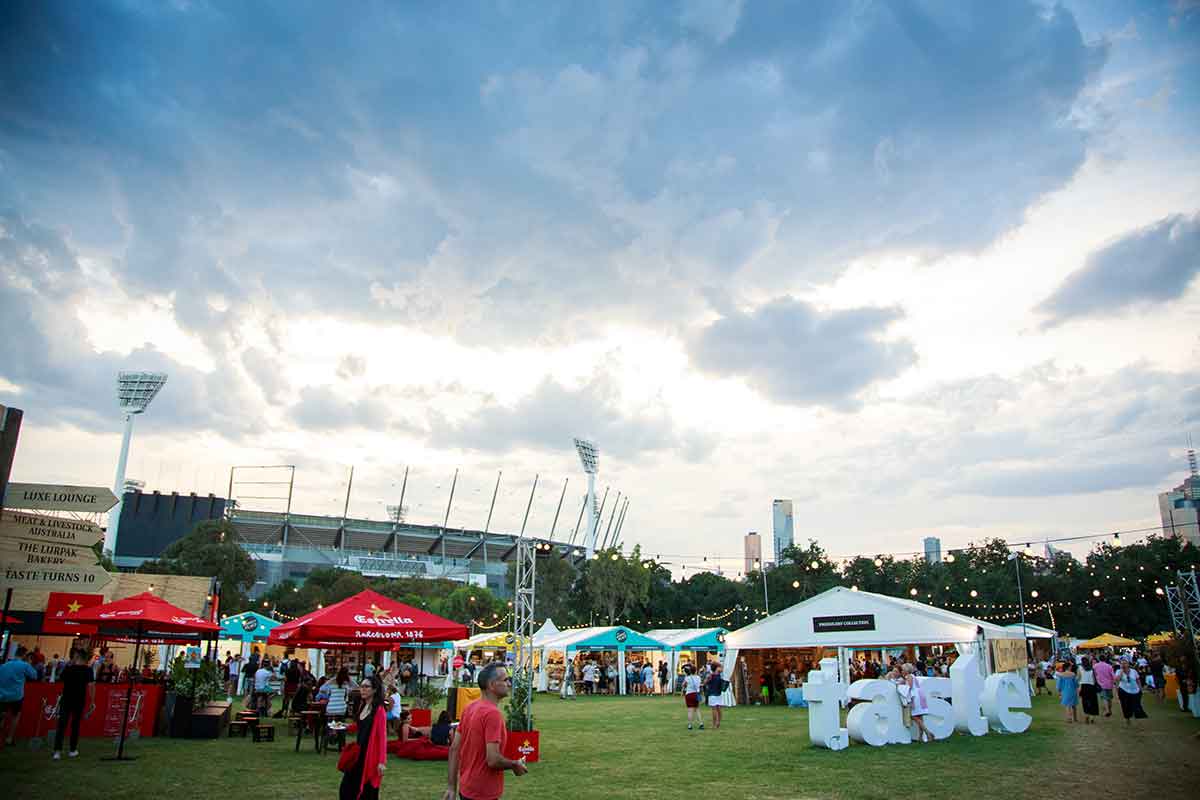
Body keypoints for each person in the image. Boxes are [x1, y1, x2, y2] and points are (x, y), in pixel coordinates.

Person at [445, 663, 528, 800]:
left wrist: (451, 787)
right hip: (483, 792)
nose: (509, 683)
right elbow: (493, 760)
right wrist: (515, 764)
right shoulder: (492, 714)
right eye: (505, 679)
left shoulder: (469, 708)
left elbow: (454, 748)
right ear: (491, 685)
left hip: (466, 788)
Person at [340, 674, 388, 800]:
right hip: (358, 755)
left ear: (374, 690)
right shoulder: (362, 705)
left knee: (366, 792)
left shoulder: (379, 710)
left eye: (366, 687)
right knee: (346, 789)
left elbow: (382, 737)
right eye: (361, 686)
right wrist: (344, 726)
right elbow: (360, 725)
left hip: (370, 757)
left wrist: (382, 762)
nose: (363, 689)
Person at [52, 648, 95, 759]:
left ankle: (57, 751)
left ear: (77, 657)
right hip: (79, 700)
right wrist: (92, 700)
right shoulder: (88, 670)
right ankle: (72, 749)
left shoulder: (69, 669)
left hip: (66, 699)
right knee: (75, 725)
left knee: (62, 725)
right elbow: (91, 686)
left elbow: (59, 678)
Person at [0, 645, 39, 748]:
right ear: (24, 655)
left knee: (2, 717)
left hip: (3, 695)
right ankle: (9, 738)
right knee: (15, 717)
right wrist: (30, 664)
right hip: (17, 696)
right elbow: (34, 675)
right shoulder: (24, 665)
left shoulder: (4, 665)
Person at [1115, 658, 1146, 725]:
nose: (1123, 665)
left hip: (1134, 691)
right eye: (1122, 664)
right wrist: (1121, 672)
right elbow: (1117, 680)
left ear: (1128, 664)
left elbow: (1138, 680)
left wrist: (1140, 689)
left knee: (1135, 705)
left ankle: (1136, 717)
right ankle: (1127, 718)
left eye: (1125, 663)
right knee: (1125, 705)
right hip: (1124, 690)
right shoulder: (1118, 671)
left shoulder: (1133, 671)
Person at [704, 663, 727, 729]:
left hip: (717, 694)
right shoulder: (712, 675)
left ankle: (717, 723)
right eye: (720, 667)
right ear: (716, 668)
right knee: (716, 709)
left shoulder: (720, 675)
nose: (721, 668)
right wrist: (707, 679)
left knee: (718, 709)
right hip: (713, 694)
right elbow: (705, 683)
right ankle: (715, 724)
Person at [1056, 659, 1079, 723]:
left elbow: (1059, 685)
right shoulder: (1073, 674)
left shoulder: (1061, 675)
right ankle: (1075, 718)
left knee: (1067, 706)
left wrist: (1059, 693)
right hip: (1073, 691)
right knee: (1074, 705)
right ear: (1068, 667)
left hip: (1065, 691)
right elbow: (1076, 684)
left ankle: (1069, 718)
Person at [1078, 656, 1099, 724]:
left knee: (1085, 702)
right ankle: (1092, 718)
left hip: (1084, 687)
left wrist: (1079, 688)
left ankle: (1087, 715)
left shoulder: (1080, 668)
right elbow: (1094, 679)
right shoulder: (1092, 669)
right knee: (1093, 702)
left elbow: (1079, 678)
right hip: (1091, 687)